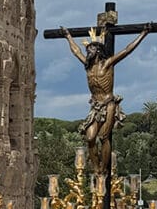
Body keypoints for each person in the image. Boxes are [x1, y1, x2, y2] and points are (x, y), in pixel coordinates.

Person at [61, 24, 150, 175]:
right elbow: (76, 51)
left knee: (103, 137)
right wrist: (68, 36)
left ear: (98, 51)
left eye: (91, 49)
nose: (88, 51)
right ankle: (96, 168)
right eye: (87, 49)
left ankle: (103, 169)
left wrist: (143, 34)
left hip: (109, 104)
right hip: (95, 105)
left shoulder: (107, 64)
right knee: (90, 138)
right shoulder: (88, 66)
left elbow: (127, 50)